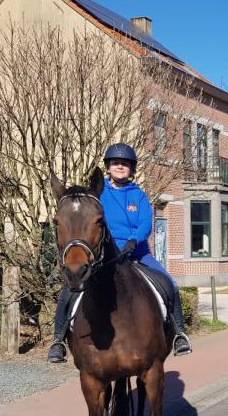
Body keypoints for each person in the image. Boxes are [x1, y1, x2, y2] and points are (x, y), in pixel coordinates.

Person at [47, 143, 192, 363]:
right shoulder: (98, 193)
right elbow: (91, 221)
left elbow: (145, 222)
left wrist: (134, 240)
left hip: (137, 253)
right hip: (106, 255)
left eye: (125, 164)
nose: (120, 166)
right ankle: (58, 340)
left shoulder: (139, 195)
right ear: (108, 167)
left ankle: (179, 334)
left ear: (132, 169)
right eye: (116, 163)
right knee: (71, 289)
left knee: (169, 283)